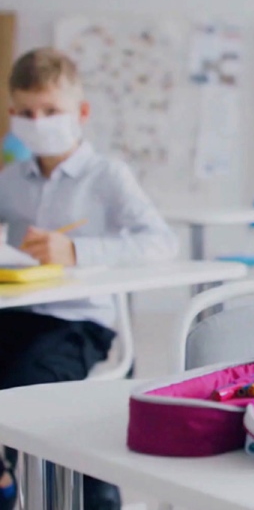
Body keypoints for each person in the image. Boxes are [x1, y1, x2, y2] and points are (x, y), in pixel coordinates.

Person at [0, 48, 179, 510]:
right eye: (26, 112)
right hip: (15, 315)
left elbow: (160, 243)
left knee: (26, 386)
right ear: (12, 113)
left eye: (50, 111)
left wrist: (77, 251)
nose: (37, 121)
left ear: (80, 112)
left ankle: (83, 495)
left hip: (79, 323)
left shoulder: (106, 176)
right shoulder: (9, 180)